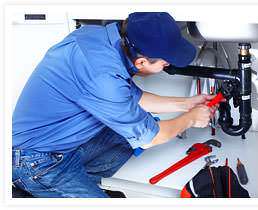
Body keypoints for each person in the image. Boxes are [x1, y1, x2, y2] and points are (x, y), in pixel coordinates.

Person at [12, 12, 218, 198]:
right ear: (141, 63)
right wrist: (191, 119)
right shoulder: (104, 78)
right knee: (144, 133)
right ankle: (41, 188)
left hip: (58, 143)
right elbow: (151, 137)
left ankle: (74, 186)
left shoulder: (99, 37)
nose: (167, 66)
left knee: (131, 133)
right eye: (164, 63)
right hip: (35, 161)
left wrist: (187, 104)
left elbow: (133, 99)